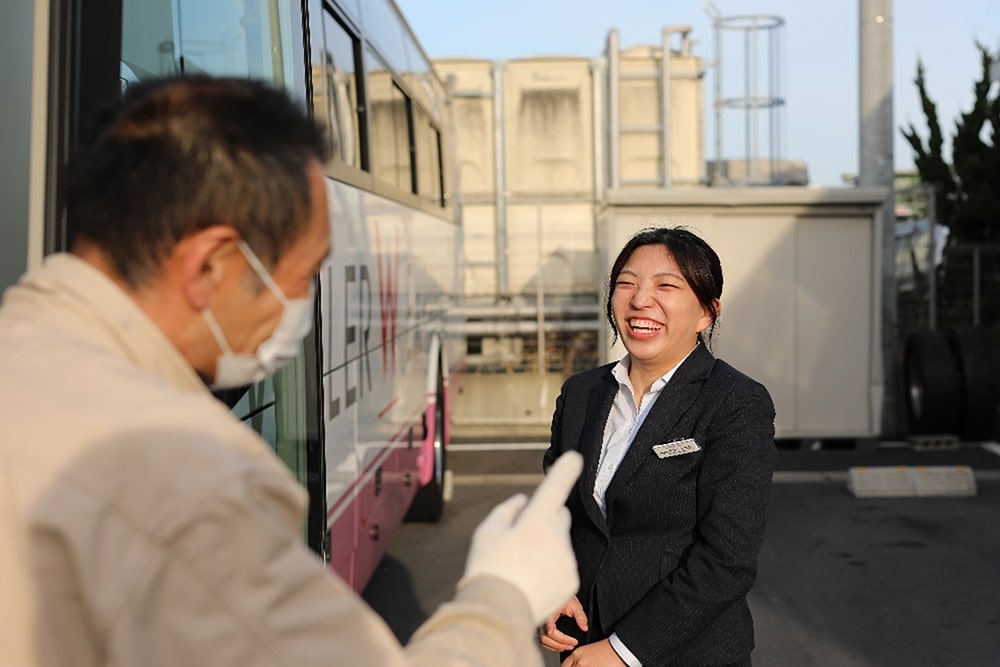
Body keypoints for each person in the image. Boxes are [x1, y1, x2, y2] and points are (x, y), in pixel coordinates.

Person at [0, 75, 583, 667]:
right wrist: (500, 597)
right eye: (304, 276)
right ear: (211, 266)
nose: (302, 306)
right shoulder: (183, 480)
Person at [540, 227, 777, 667]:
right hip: (585, 642)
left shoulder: (734, 402)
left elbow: (728, 559)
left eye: (666, 285)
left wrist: (621, 651)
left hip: (687, 653)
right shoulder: (582, 393)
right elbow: (556, 510)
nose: (639, 299)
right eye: (626, 283)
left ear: (708, 312)